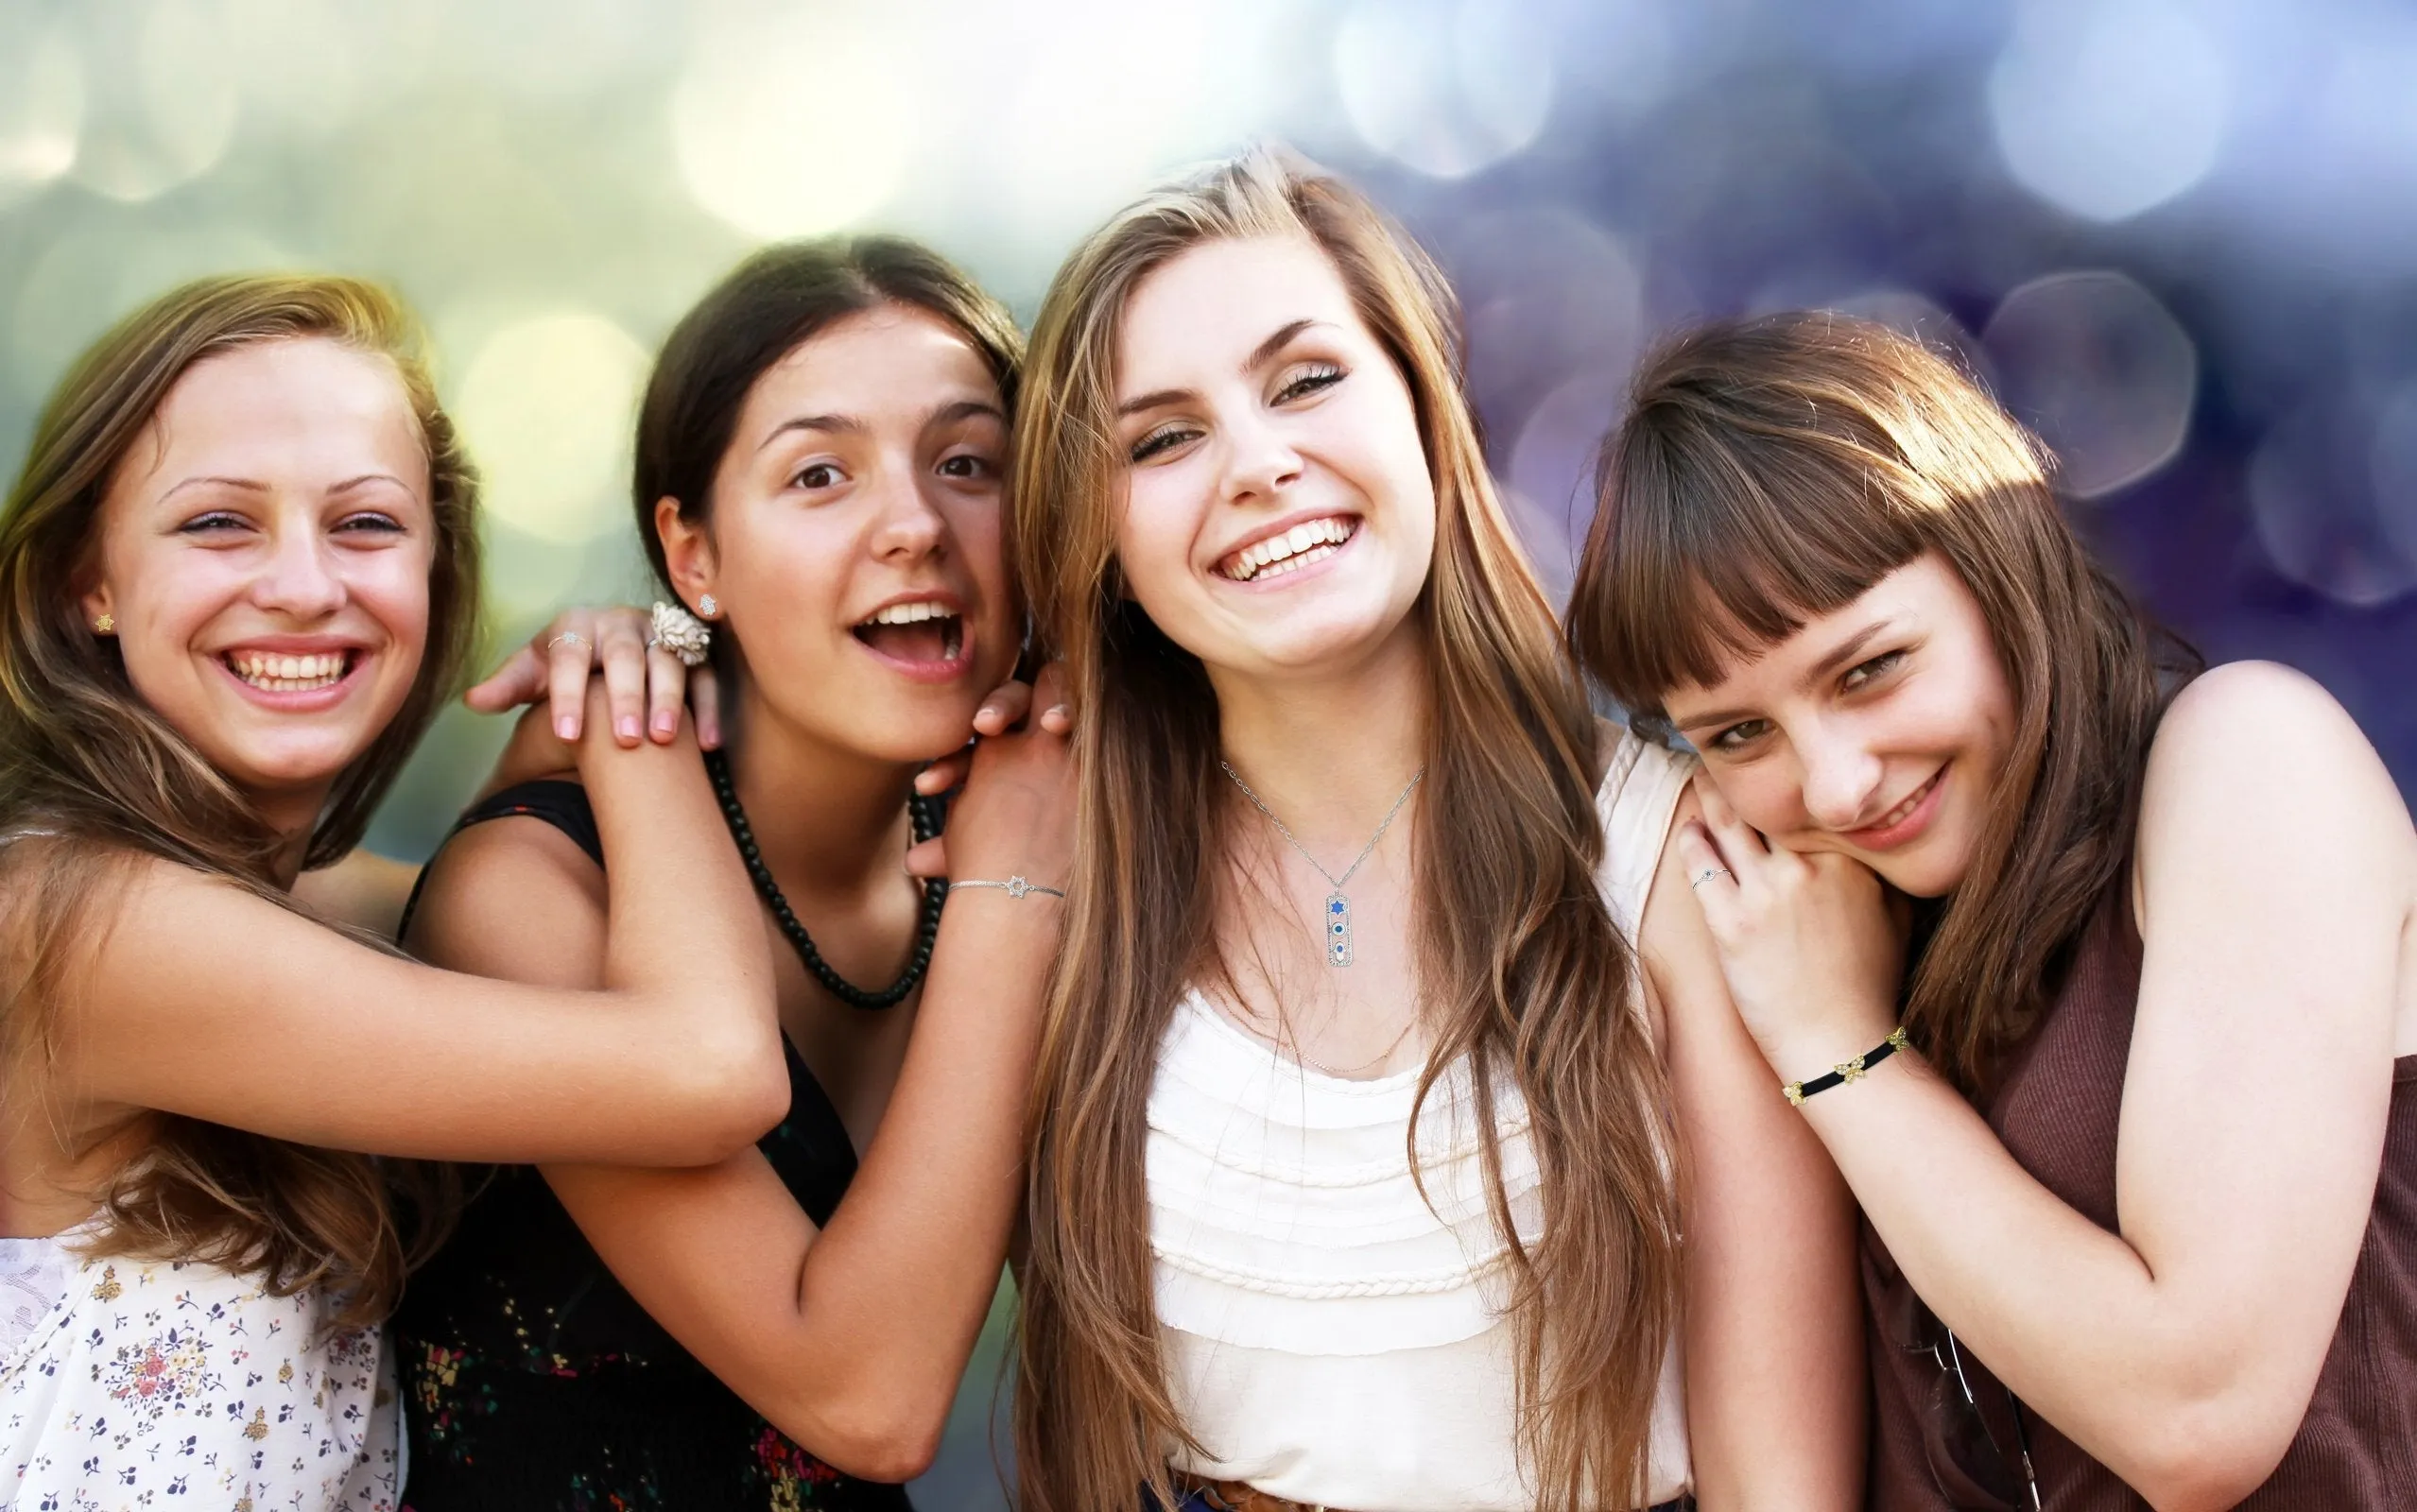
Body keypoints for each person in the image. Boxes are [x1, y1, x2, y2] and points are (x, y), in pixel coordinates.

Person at [1007, 153, 1863, 1512]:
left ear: (1423, 410)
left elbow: (1786, 1485)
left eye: (1306, 381)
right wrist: (638, 665)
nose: (1260, 463)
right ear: (1094, 531)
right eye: (1162, 439)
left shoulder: (1670, 855)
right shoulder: (1047, 869)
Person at [1568, 311, 2417, 1509]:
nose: (1836, 782)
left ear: (1997, 566)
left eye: (1868, 669)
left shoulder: (2245, 761)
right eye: (1739, 733)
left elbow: (2201, 1413)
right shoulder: (1813, 923)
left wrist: (1843, 1055)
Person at [0, 275, 785, 1511]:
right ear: (81, 584)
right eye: (217, 524)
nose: (307, 587)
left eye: (365, 525)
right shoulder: (75, 918)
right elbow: (713, 1068)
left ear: (433, 567)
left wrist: (569, 733)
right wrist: (641, 706)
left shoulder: (319, 910)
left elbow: (488, 912)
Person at [392, 237, 1076, 1510]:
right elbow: (866, 1399)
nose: (915, 525)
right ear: (691, 557)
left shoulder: (1037, 835)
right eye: (820, 475)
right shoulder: (538, 895)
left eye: (967, 462)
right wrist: (1013, 899)